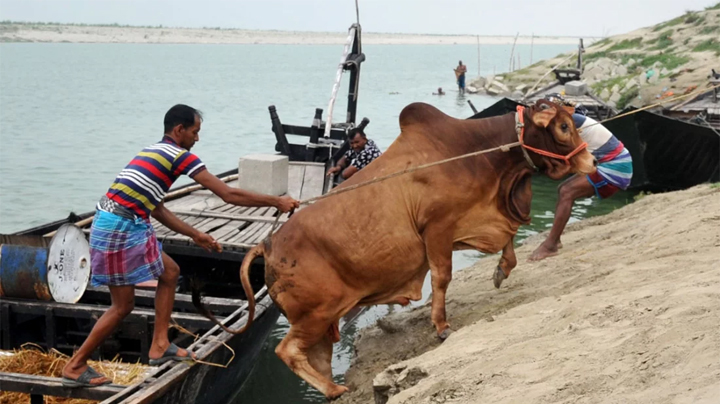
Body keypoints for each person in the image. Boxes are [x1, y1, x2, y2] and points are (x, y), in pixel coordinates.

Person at [61, 104, 299, 387]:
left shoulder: (152, 152)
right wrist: (276, 201)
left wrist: (196, 234)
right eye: (195, 132)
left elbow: (157, 208)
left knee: (170, 272)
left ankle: (160, 345)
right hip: (119, 228)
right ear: (179, 130)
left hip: (124, 221)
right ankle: (75, 366)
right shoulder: (179, 156)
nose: (197, 138)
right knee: (122, 306)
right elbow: (227, 193)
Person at [529, 95, 633, 261]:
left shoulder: (571, 122)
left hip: (615, 165)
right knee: (562, 190)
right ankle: (556, 240)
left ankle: (550, 246)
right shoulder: (571, 120)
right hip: (615, 161)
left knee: (567, 192)